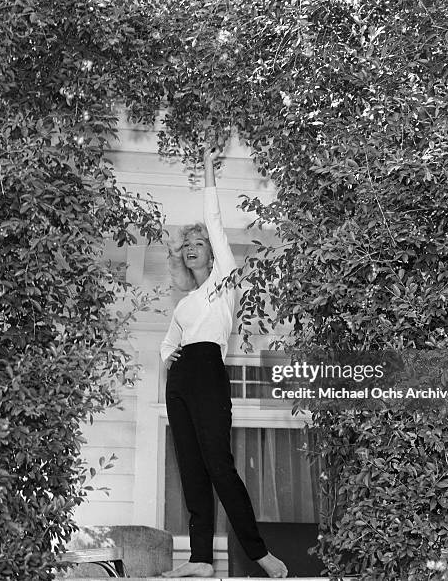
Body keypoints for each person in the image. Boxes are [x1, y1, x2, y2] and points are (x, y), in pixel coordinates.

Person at [160, 145, 288, 578]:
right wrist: (168, 356)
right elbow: (167, 345)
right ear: (181, 255)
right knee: (191, 468)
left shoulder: (223, 281)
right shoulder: (185, 304)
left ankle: (259, 553)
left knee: (218, 463)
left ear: (213, 254)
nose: (194, 247)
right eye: (187, 245)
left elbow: (214, 223)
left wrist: (208, 172)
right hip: (179, 379)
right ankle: (199, 560)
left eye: (200, 243)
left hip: (209, 372)